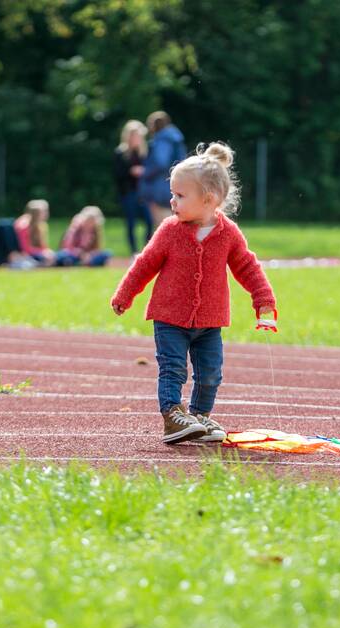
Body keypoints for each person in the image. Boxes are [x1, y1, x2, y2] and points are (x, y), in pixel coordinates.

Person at [111, 142, 277, 445]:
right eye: (172, 193)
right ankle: (173, 416)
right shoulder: (169, 230)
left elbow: (247, 267)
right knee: (173, 369)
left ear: (208, 199)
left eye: (180, 195)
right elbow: (145, 263)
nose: (171, 201)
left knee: (211, 373)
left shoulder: (229, 233)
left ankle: (199, 417)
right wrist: (125, 294)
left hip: (210, 321)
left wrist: (263, 299)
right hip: (169, 317)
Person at [138, 111, 187, 229]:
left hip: (161, 189)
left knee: (163, 226)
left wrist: (145, 172)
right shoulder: (175, 138)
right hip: (173, 185)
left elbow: (161, 163)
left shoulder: (163, 140)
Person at [113, 120, 153, 255]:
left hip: (145, 194)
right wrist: (131, 171)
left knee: (149, 221)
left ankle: (147, 250)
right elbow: (117, 175)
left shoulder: (145, 152)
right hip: (129, 193)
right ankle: (134, 251)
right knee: (131, 223)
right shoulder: (120, 153)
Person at [13, 199, 54, 265]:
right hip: (23, 255)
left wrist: (46, 252)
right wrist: (42, 252)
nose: (47, 214)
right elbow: (24, 249)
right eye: (44, 211)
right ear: (35, 213)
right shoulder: (23, 226)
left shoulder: (42, 225)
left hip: (34, 253)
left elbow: (43, 246)